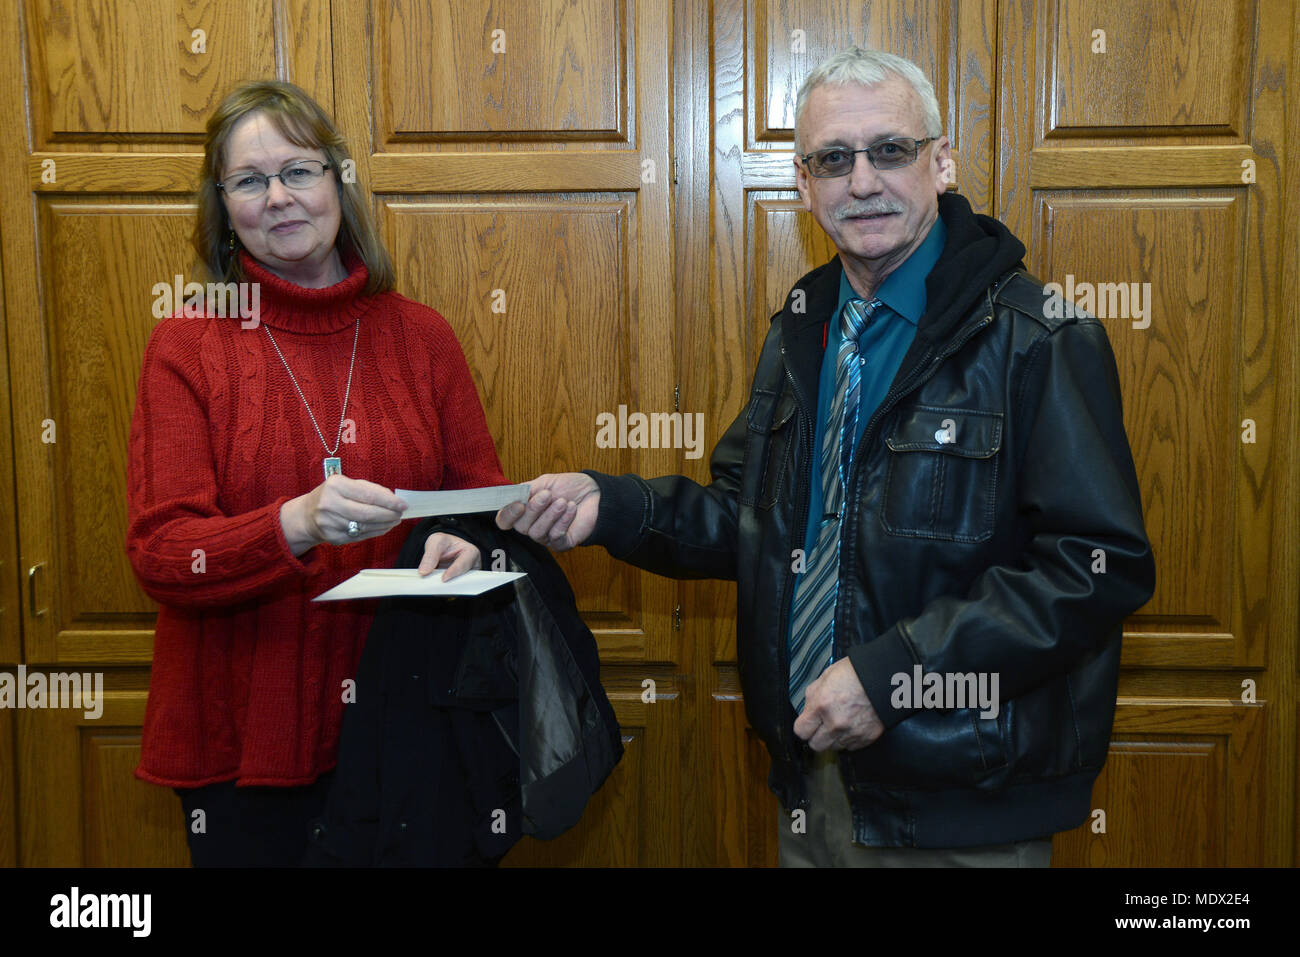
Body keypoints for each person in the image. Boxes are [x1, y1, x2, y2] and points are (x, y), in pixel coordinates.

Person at [497, 47, 1156, 867]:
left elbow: (1098, 566)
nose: (863, 181)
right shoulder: (802, 331)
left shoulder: (1039, 337)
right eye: (833, 160)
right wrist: (613, 505)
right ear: (804, 185)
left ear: (941, 162)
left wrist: (894, 675)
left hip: (966, 803)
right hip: (814, 779)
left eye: (891, 150)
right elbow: (753, 520)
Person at [125, 80, 504, 866]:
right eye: (249, 181)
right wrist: (294, 524)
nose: (278, 197)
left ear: (338, 180)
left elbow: (481, 502)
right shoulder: (187, 345)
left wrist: (467, 543)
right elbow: (162, 553)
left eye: (299, 171)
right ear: (222, 206)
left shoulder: (422, 336)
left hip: (409, 727)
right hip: (240, 753)